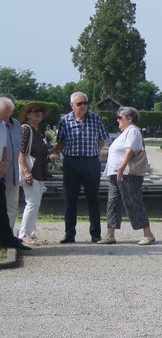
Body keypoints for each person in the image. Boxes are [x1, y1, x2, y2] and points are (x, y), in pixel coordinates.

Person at [49, 91, 107, 244]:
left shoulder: (96, 119)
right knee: (70, 199)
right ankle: (69, 234)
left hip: (91, 162)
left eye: (85, 103)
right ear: (72, 105)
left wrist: (92, 152)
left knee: (93, 198)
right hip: (71, 163)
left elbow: (102, 141)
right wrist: (52, 153)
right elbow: (60, 143)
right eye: (79, 103)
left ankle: (96, 234)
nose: (83, 106)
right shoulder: (64, 120)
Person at [101, 107, 156, 246]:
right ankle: (110, 235)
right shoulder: (124, 133)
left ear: (129, 119)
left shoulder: (133, 131)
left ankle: (148, 234)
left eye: (120, 117)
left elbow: (129, 151)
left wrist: (121, 167)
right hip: (115, 173)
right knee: (113, 203)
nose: (117, 120)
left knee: (133, 202)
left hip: (127, 173)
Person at [17, 102, 50, 246]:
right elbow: (21, 152)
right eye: (35, 111)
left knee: (35, 203)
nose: (38, 113)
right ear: (28, 115)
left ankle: (30, 233)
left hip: (40, 171)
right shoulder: (26, 129)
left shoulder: (38, 131)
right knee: (32, 202)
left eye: (40, 111)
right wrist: (26, 172)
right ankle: (24, 234)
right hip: (31, 171)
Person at [0, 98, 30, 252]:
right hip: (2, 172)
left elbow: (13, 148)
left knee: (11, 206)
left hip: (12, 171)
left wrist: (7, 164)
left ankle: (8, 238)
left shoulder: (16, 124)